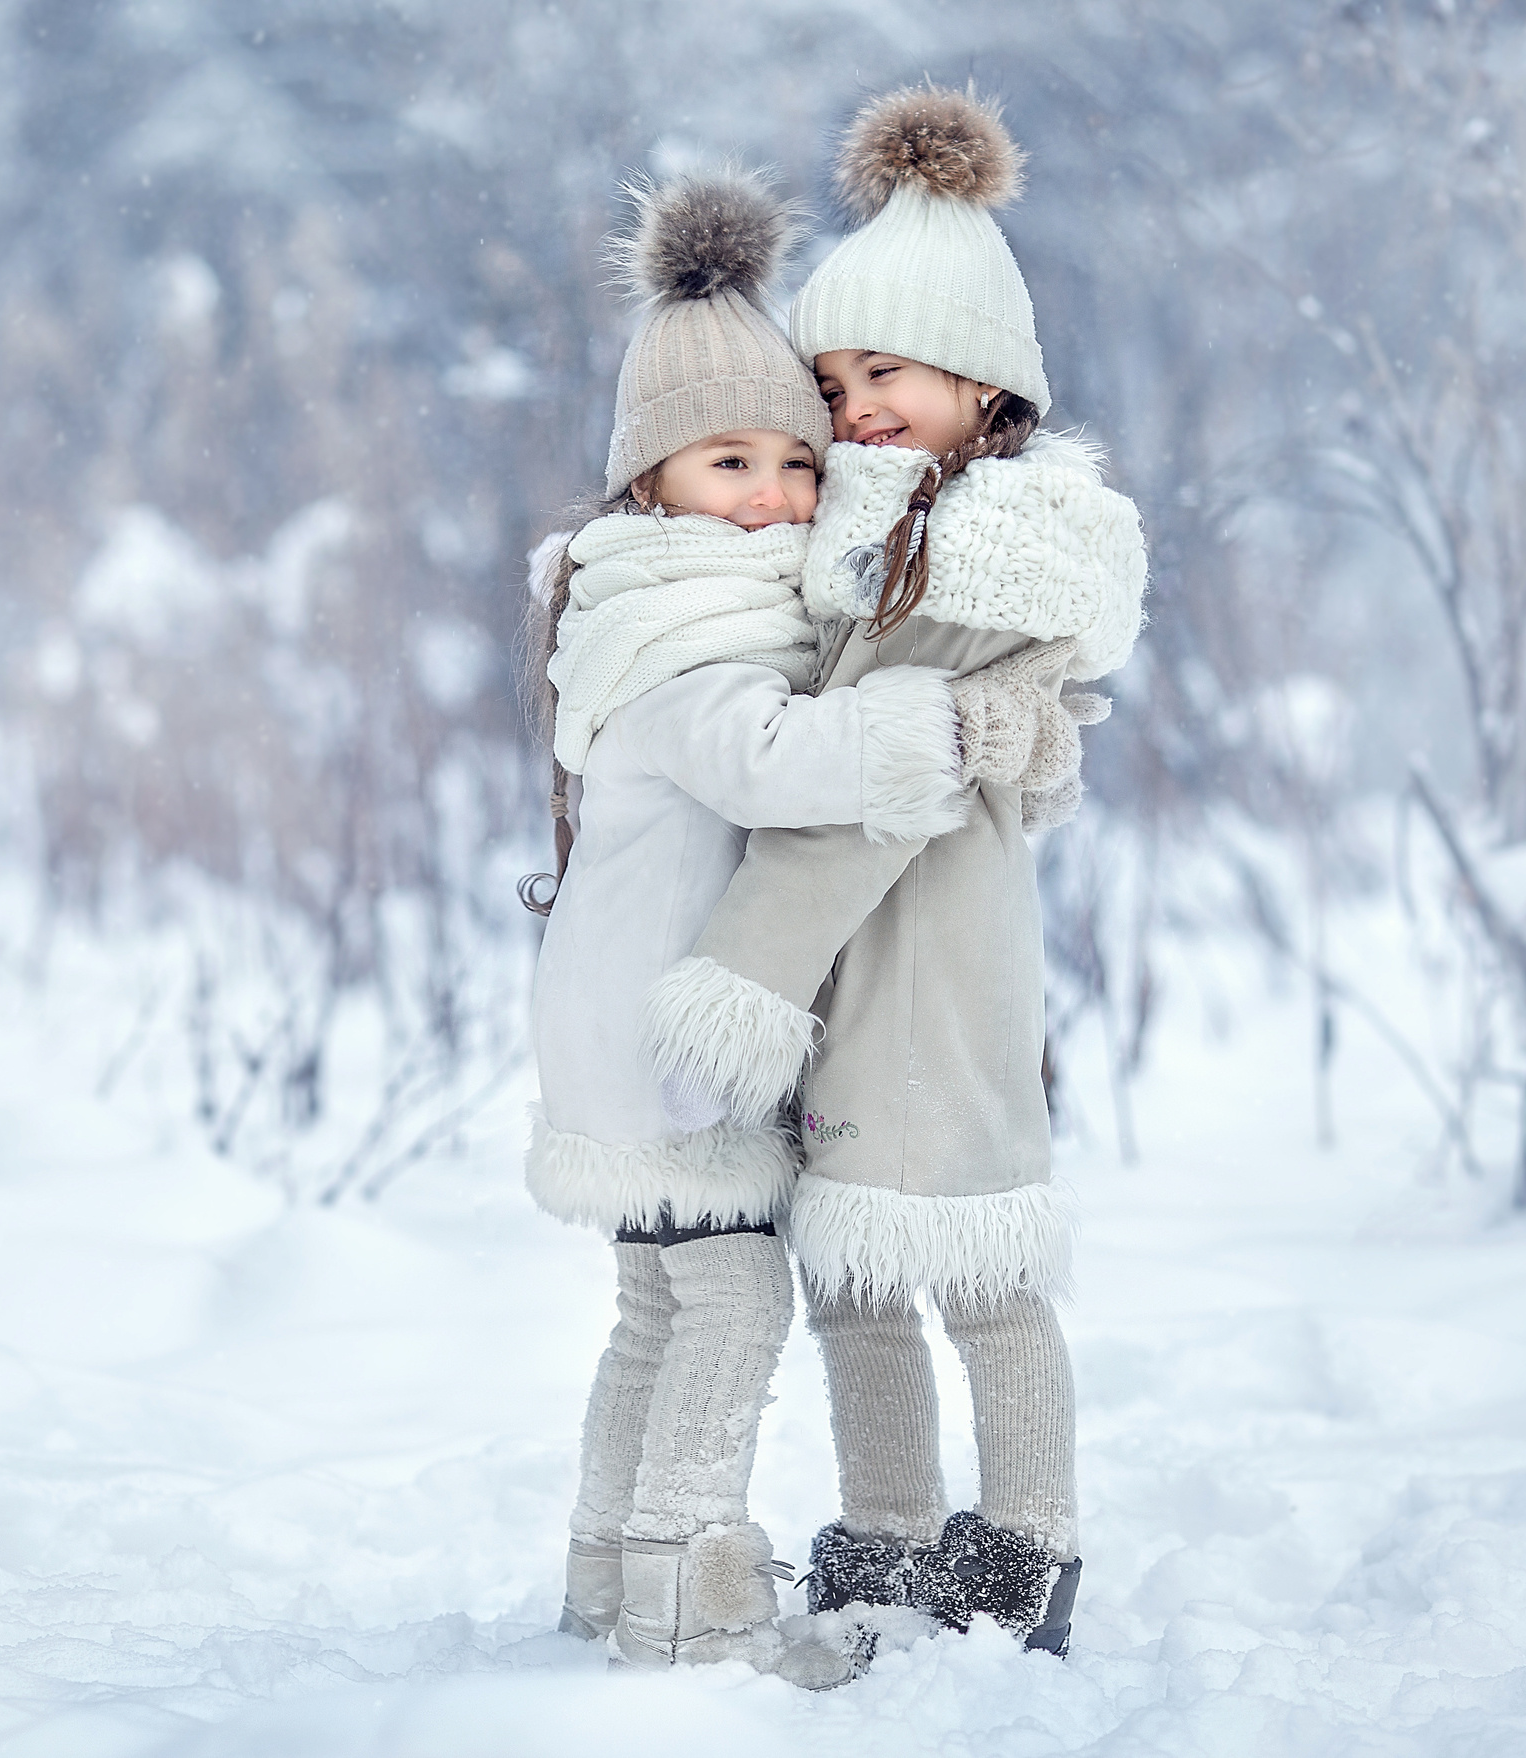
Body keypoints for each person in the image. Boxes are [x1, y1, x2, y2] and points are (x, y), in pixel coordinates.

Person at [641, 86, 1150, 1658]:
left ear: (983, 384)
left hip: (922, 954)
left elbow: (868, 796)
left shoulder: (985, 550)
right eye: (838, 375)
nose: (855, 404)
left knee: (977, 1261)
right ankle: (891, 1532)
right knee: (862, 1270)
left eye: (891, 373)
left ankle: (1031, 1543)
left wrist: (742, 973)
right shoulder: (882, 526)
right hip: (875, 964)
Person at [524, 165, 997, 1686]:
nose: (777, 497)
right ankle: (698, 1600)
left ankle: (609, 1572)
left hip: (607, 1020)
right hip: (672, 1035)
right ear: (650, 477)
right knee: (733, 1301)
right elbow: (770, 758)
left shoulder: (629, 602)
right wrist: (926, 724)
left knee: (653, 1312)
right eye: (730, 461)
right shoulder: (697, 631)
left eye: (799, 464)